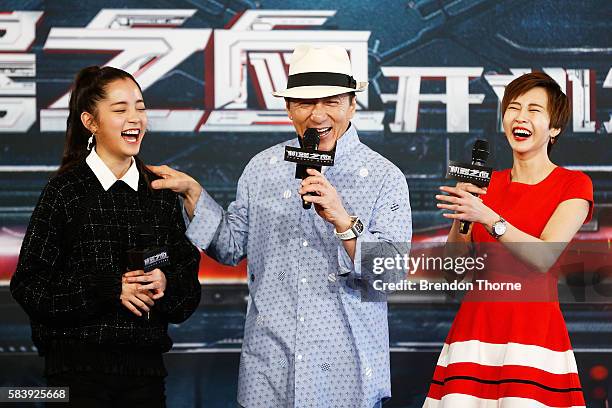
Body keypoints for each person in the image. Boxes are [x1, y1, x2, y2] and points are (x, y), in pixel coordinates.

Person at [148, 45, 412, 407]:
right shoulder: (263, 168)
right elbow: (229, 246)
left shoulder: (385, 177)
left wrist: (343, 220)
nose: (318, 114)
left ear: (352, 104)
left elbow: (391, 274)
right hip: (270, 368)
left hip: (346, 371)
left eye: (331, 101)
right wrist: (194, 194)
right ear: (288, 109)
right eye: (305, 103)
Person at [10, 66, 201, 407]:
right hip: (75, 377)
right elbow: (30, 285)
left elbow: (188, 292)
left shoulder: (160, 193)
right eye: (120, 109)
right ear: (91, 122)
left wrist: (166, 282)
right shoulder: (65, 191)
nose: (135, 118)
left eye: (140, 107)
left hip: (146, 377)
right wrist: (108, 288)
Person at [424, 72, 593, 407]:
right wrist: (463, 217)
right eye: (514, 108)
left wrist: (488, 217)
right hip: (476, 331)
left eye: (534, 110)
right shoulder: (485, 186)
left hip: (533, 332)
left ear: (554, 128)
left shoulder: (573, 185)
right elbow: (454, 269)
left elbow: (544, 256)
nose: (521, 116)